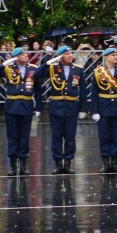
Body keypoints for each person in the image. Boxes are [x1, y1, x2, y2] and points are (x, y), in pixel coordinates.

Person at [0, 47, 39, 176]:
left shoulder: (33, 68)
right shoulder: (8, 68)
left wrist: (38, 107)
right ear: (16, 57)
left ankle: (23, 164)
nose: (26, 55)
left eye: (26, 53)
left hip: (27, 105)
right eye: (22, 54)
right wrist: (3, 64)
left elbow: (38, 89)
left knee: (24, 135)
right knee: (13, 136)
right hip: (12, 105)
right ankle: (12, 165)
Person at [33, 45, 82, 175]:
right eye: (67, 54)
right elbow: (36, 74)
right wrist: (48, 62)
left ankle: (68, 163)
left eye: (71, 53)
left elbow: (83, 90)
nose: (70, 55)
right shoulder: (53, 68)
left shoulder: (77, 70)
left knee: (70, 136)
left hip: (71, 106)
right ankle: (58, 163)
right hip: (57, 106)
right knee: (57, 136)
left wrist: (82, 108)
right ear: (60, 57)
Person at [90, 48, 117, 174]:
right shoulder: (98, 72)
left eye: (116, 55)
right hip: (103, 107)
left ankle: (115, 162)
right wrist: (95, 111)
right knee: (104, 136)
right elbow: (94, 93)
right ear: (106, 57)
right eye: (113, 55)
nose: (116, 57)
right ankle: (106, 163)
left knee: (116, 136)